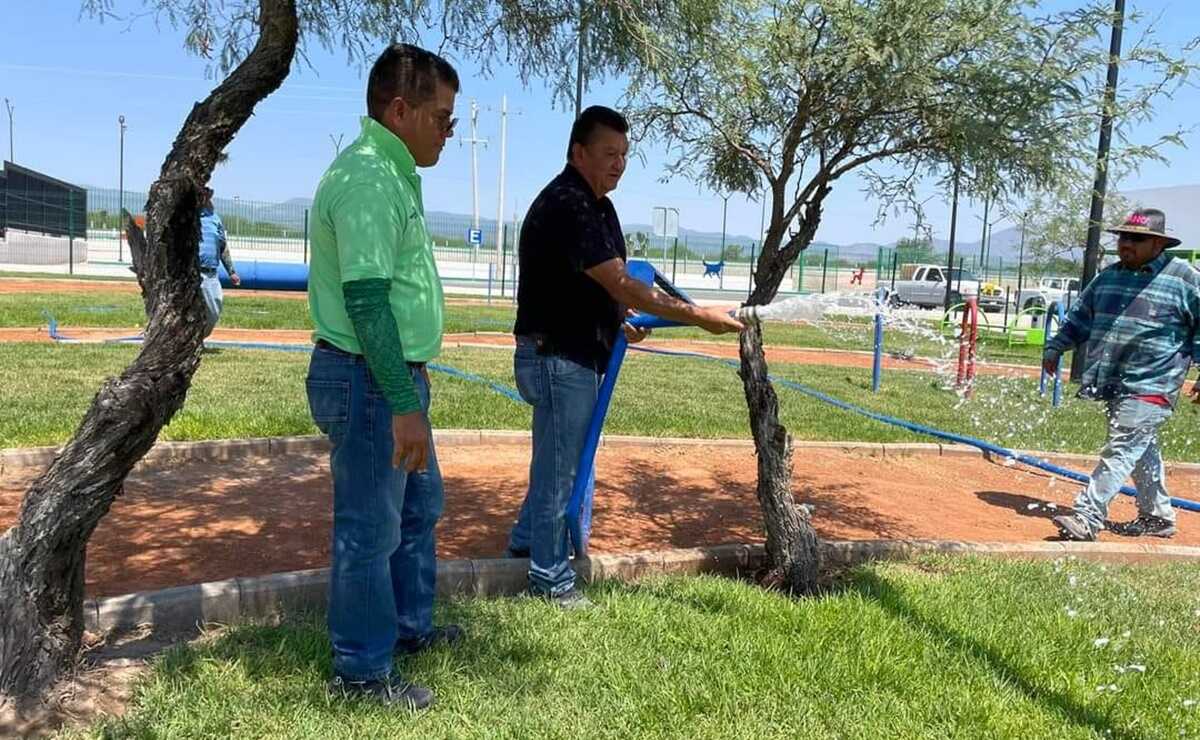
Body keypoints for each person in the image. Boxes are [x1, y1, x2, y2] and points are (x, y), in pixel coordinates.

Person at [506, 105, 745, 608]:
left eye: (624, 155)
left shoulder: (599, 207)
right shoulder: (569, 203)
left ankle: (527, 542)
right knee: (560, 469)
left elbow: (599, 282)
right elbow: (621, 282)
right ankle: (549, 576)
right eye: (608, 153)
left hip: (572, 352)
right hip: (557, 357)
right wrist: (698, 315)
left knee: (557, 459)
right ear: (578, 152)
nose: (618, 164)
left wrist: (615, 320)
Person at [305, 43, 462, 710]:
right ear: (401, 110)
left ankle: (405, 629)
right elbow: (367, 304)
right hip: (371, 380)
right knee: (369, 529)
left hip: (390, 381)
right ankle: (362, 673)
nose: (448, 134)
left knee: (418, 510)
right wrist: (404, 402)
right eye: (442, 118)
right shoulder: (371, 179)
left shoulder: (393, 173)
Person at [1046, 208, 1200, 542]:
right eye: (1123, 237)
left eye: (1136, 239)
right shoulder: (1109, 276)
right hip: (1113, 379)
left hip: (1155, 382)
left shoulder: (1184, 278)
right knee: (1138, 447)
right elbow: (1080, 317)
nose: (1126, 244)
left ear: (1158, 244)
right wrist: (1056, 346)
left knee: (1122, 447)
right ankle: (1157, 516)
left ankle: (1088, 517)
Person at [198, 186, 239, 336]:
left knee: (214, 308)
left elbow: (222, 246)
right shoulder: (188, 217)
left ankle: (198, 338)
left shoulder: (214, 219)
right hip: (192, 273)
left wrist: (232, 271)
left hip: (210, 274)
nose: (207, 198)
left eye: (208, 195)